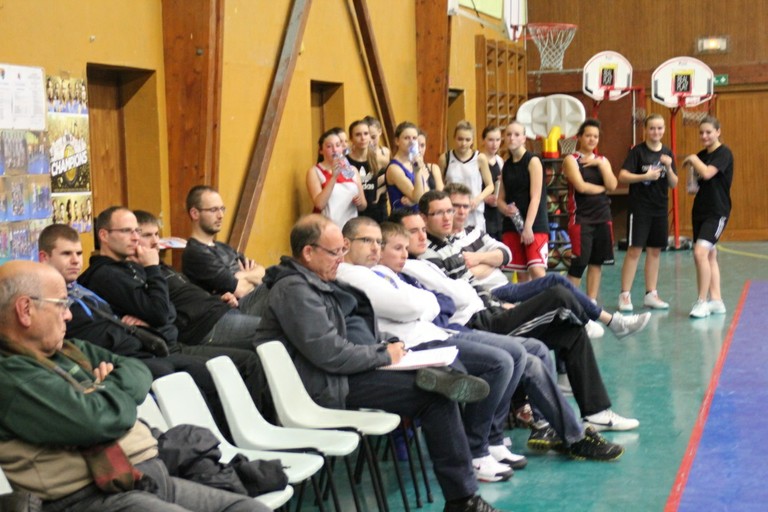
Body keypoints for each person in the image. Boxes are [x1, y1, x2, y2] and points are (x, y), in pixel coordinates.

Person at [254, 214, 506, 512]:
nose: (340, 259)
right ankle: (463, 500)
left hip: (338, 374)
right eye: (334, 252)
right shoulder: (294, 290)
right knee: (435, 397)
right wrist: (383, 355)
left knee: (437, 390)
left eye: (342, 251)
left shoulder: (314, 282)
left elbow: (341, 341)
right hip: (323, 385)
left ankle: (443, 378)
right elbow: (330, 354)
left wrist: (383, 349)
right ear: (308, 252)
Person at [0, 260, 267, 512]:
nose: (69, 315)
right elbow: (97, 421)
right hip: (90, 497)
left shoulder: (68, 350)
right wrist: (106, 398)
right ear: (25, 310)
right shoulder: (11, 374)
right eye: (61, 304)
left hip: (140, 477)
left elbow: (137, 369)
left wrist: (102, 392)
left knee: (248, 508)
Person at [380, 217, 625, 459]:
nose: (453, 215)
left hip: (482, 309)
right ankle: (498, 440)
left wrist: (480, 271)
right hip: (463, 325)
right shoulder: (413, 264)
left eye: (422, 230)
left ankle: (574, 421)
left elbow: (498, 260)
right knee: (554, 298)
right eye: (411, 234)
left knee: (567, 332)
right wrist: (483, 270)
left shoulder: (438, 255)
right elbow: (448, 301)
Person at [412, 192, 641, 431]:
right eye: (439, 213)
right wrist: (494, 296)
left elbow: (486, 274)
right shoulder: (428, 256)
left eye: (449, 210)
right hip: (477, 326)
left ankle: (596, 413)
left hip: (492, 309)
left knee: (571, 332)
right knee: (558, 293)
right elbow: (459, 297)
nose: (448, 217)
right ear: (424, 218)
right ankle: (598, 320)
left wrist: (496, 301)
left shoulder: (449, 245)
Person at [337, 217, 530, 480]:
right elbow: (407, 306)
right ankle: (476, 450)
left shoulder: (379, 272)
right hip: (413, 344)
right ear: (346, 244)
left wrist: (422, 304)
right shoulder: (352, 275)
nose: (375, 248)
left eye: (378, 242)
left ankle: (490, 439)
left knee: (514, 354)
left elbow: (435, 302)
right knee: (499, 362)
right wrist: (423, 304)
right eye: (367, 241)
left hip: (434, 332)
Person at [444, 186, 650, 339]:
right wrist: (490, 262)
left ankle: (592, 324)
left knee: (560, 305)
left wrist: (478, 259)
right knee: (554, 282)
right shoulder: (444, 243)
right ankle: (610, 321)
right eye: (455, 206)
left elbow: (505, 255)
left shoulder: (475, 232)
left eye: (465, 206)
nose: (461, 211)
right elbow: (461, 276)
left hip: (506, 285)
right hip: (491, 294)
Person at [617, 114, 678, 312]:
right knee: (634, 250)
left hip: (659, 208)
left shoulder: (667, 153)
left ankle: (651, 294)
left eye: (659, 128)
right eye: (652, 128)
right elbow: (622, 176)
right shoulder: (638, 152)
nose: (656, 132)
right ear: (645, 130)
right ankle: (625, 295)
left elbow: (674, 183)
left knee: (655, 251)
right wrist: (645, 176)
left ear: (664, 130)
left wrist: (668, 167)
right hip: (640, 208)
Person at [182, 185, 265, 314]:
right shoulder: (195, 252)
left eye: (222, 209)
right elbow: (240, 290)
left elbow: (263, 273)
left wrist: (242, 275)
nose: (220, 215)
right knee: (283, 284)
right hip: (231, 311)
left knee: (281, 279)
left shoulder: (223, 247)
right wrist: (252, 279)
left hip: (252, 302)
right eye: (213, 210)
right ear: (195, 213)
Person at [682, 116, 733, 318]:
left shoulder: (724, 153)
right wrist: (691, 176)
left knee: (700, 253)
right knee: (710, 255)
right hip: (700, 211)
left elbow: (708, 173)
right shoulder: (701, 155)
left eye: (709, 132)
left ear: (718, 132)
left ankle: (702, 301)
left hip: (717, 212)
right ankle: (717, 300)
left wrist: (692, 159)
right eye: (701, 133)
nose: (704, 136)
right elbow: (693, 187)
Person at [562, 119, 618, 302]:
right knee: (579, 263)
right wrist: (603, 189)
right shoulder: (571, 160)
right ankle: (569, 303)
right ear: (580, 137)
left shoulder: (603, 160)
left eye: (595, 136)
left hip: (602, 216)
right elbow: (581, 187)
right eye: (588, 136)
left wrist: (600, 165)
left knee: (596, 262)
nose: (592, 139)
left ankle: (591, 302)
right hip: (581, 218)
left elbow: (613, 185)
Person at [497, 121, 549, 280]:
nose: (512, 138)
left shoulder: (533, 161)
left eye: (516, 134)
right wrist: (505, 209)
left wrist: (528, 227)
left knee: (537, 271)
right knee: (521, 274)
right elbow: (500, 199)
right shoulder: (506, 165)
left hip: (534, 224)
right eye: (508, 134)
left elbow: (536, 197)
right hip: (512, 224)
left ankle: (550, 297)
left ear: (524, 138)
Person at [439, 121, 494, 231]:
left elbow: (490, 185)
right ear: (454, 138)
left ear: (472, 140)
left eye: (467, 140)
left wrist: (478, 199)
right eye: (460, 139)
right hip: (452, 211)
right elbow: (439, 184)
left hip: (474, 211)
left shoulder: (480, 158)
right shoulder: (445, 158)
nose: (463, 143)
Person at [306, 128, 367, 227]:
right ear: (321, 150)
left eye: (338, 145)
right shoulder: (315, 171)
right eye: (329, 146)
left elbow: (363, 205)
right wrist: (333, 177)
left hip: (349, 227)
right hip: (326, 227)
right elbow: (319, 204)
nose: (334, 150)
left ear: (342, 149)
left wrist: (359, 202)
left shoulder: (352, 170)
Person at [348, 119, 388, 223]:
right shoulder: (346, 162)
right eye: (358, 135)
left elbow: (394, 174)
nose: (363, 138)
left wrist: (381, 190)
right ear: (351, 138)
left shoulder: (378, 159)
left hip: (376, 212)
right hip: (354, 213)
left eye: (366, 134)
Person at [385, 122, 429, 211]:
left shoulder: (415, 162)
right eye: (406, 138)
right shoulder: (394, 168)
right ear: (397, 141)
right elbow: (418, 198)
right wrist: (419, 173)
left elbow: (426, 195)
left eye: (414, 138)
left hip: (418, 215)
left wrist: (413, 201)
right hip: (402, 217)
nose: (411, 142)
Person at [480, 126, 504, 241]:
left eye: (497, 140)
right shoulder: (478, 160)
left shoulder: (500, 161)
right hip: (482, 212)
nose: (494, 144)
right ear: (483, 140)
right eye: (490, 140)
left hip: (498, 213)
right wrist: (484, 198)